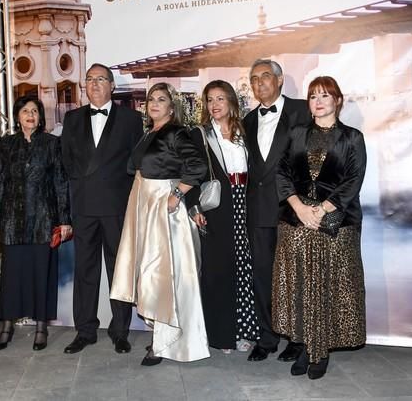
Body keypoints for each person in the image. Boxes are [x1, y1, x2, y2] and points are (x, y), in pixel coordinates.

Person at [274, 76, 367, 379]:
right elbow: (282, 172)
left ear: (338, 101)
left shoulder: (352, 138)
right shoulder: (296, 133)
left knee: (328, 285)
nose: (318, 100)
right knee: (300, 285)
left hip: (337, 223)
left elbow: (353, 179)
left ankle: (321, 350)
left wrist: (322, 209)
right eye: (313, 95)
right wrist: (300, 208)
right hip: (296, 220)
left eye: (325, 95)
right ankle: (303, 346)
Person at [110, 82, 210, 365]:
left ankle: (167, 342)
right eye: (151, 99)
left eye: (161, 99)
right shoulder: (149, 133)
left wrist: (177, 194)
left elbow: (197, 167)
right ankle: (160, 336)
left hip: (164, 210)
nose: (154, 103)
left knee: (163, 275)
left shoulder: (176, 132)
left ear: (171, 106)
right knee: (149, 271)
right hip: (143, 205)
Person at [60, 63, 144, 355]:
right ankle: (84, 330)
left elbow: (137, 165)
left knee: (117, 270)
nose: (94, 84)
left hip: (116, 207)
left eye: (100, 79)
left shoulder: (132, 120)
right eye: (89, 79)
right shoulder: (71, 119)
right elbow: (66, 161)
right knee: (85, 270)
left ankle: (120, 331)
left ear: (112, 86)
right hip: (83, 206)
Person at [0, 95, 71, 351]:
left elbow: (60, 182)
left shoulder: (51, 143)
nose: (30, 114)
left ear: (40, 116)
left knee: (41, 273)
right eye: (25, 110)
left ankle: (41, 327)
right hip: (12, 219)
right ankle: (7, 326)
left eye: (34, 110)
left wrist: (64, 220)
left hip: (44, 219)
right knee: (12, 275)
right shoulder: (6, 144)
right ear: (18, 116)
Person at [243, 59, 311, 362]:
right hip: (257, 211)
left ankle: (298, 339)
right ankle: (267, 337)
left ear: (280, 80)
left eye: (266, 77)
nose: (260, 84)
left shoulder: (302, 110)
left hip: (292, 209)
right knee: (262, 277)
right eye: (254, 79)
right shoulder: (246, 121)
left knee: (294, 277)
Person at [186, 80, 259, 353]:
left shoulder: (245, 131)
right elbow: (190, 173)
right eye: (210, 100)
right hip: (216, 208)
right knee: (218, 272)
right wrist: (194, 207)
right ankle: (221, 335)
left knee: (244, 269)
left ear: (230, 101)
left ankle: (245, 332)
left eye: (220, 99)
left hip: (245, 204)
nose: (214, 105)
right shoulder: (200, 134)